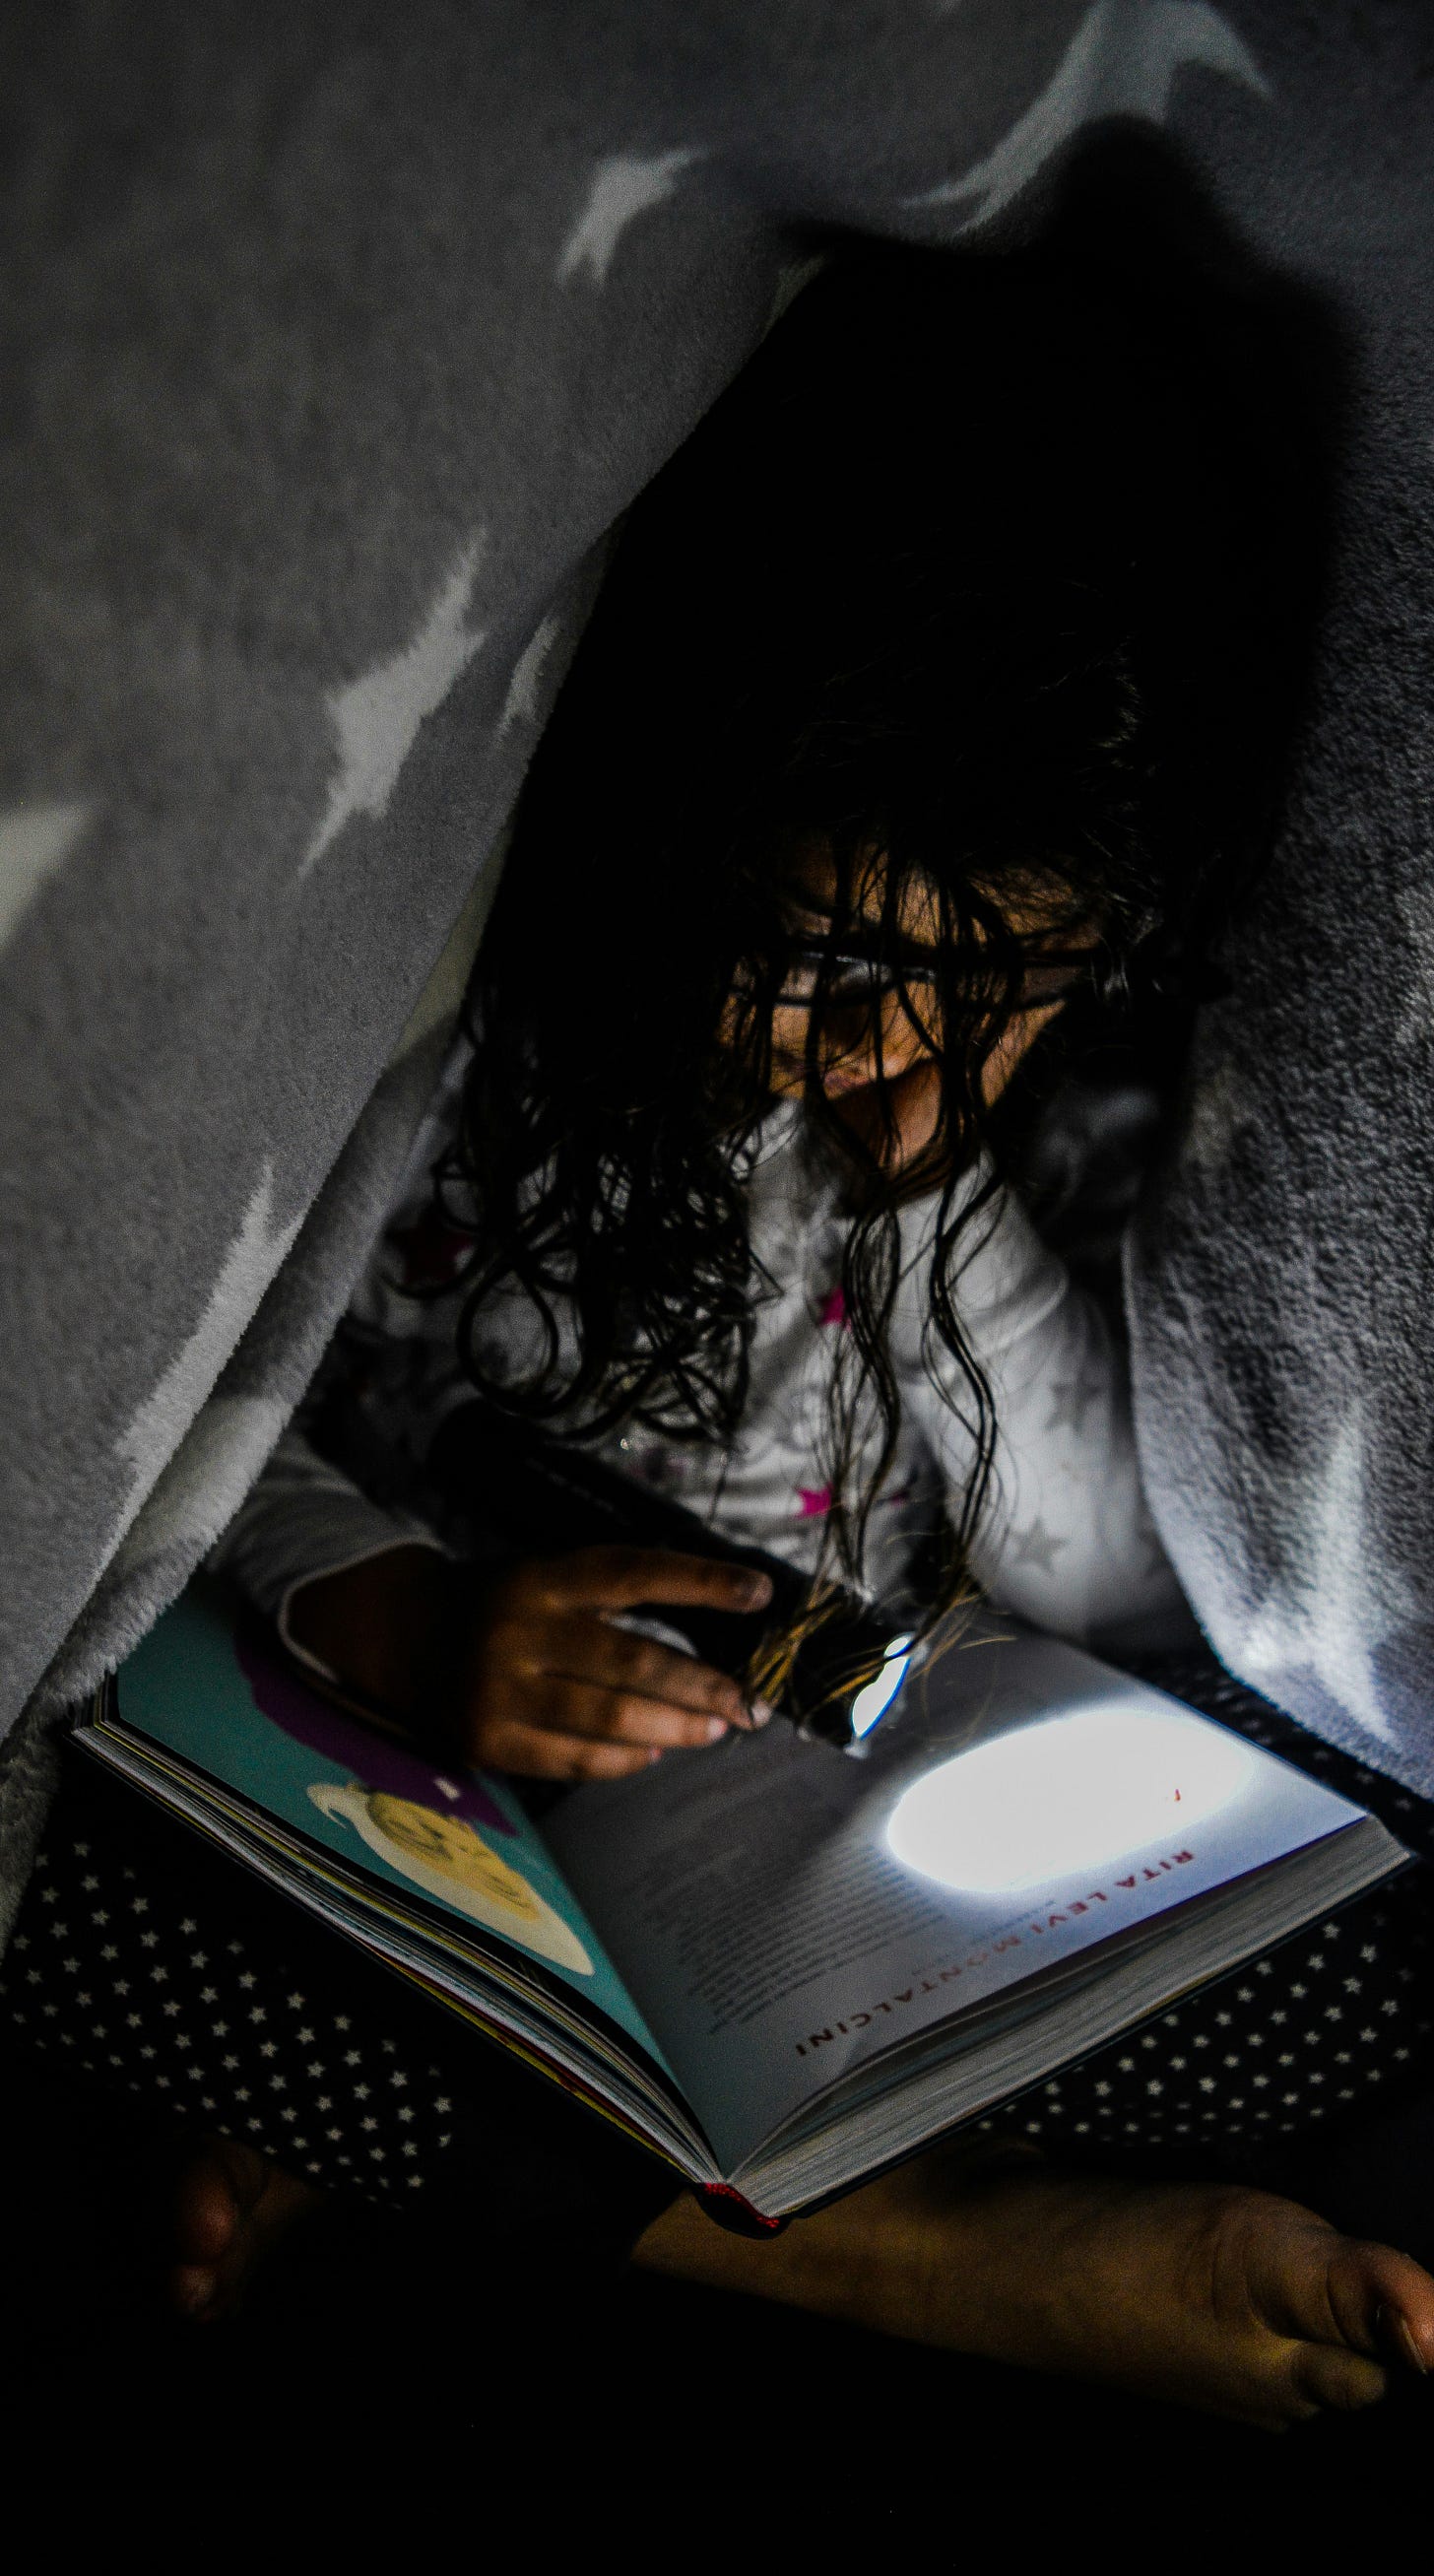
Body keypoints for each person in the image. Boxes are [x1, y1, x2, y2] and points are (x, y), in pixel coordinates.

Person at [8, 246, 1434, 2425]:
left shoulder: (931, 1157)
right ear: (689, 827)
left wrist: (956, 1211)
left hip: (814, 1824)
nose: (900, 1087)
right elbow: (203, 1429)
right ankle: (909, 2257)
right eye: (850, 994)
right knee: (64, 1892)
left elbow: (1095, 1581)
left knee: (1362, 1936)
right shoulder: (451, 1064)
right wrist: (395, 1612)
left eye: (1007, 1014)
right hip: (445, 1781)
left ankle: (501, 2163)